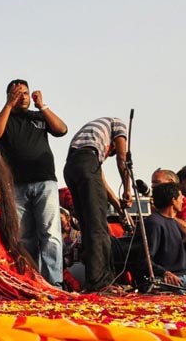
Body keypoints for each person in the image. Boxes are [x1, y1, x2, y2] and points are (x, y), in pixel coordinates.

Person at [0, 79, 68, 287]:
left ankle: (55, 283)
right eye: (17, 93)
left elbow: (61, 130)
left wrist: (42, 105)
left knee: (50, 233)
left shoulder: (38, 117)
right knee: (24, 238)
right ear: (9, 96)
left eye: (25, 93)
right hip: (16, 185)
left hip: (45, 181)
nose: (22, 97)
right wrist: (8, 105)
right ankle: (32, 281)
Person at [63, 117, 131, 293]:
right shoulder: (118, 124)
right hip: (85, 164)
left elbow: (100, 181)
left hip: (71, 168)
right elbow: (123, 158)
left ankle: (94, 280)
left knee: (88, 225)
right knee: (99, 227)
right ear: (113, 144)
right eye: (112, 152)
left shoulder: (90, 142)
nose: (109, 154)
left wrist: (118, 208)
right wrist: (128, 189)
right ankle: (101, 283)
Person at [143, 183, 186, 289]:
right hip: (171, 279)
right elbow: (144, 259)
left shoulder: (175, 223)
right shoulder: (154, 223)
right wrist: (164, 272)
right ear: (173, 200)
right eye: (180, 198)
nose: (182, 201)